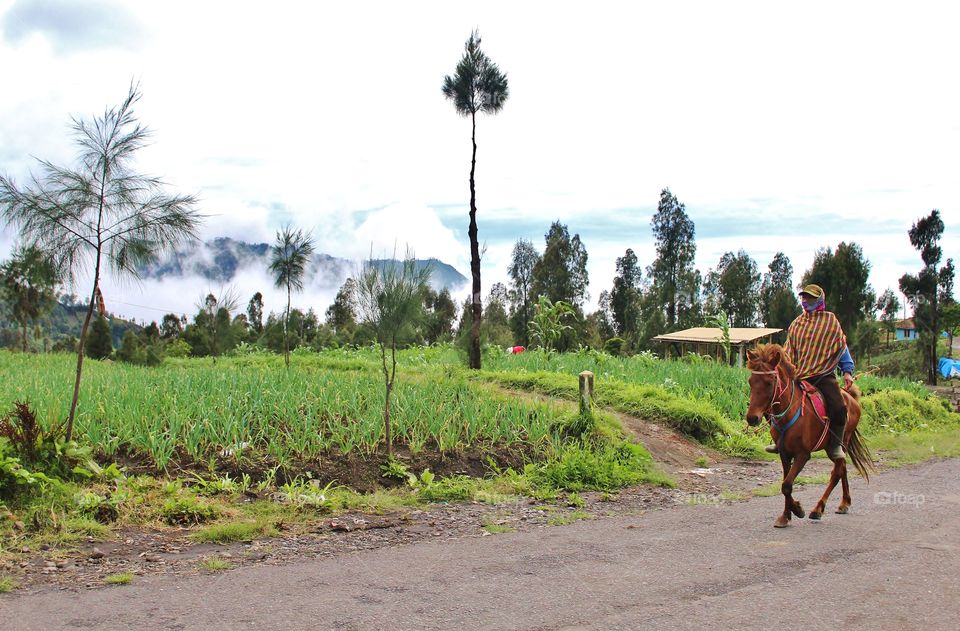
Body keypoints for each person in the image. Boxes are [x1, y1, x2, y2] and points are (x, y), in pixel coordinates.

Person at [764, 284, 855, 460]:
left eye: (811, 298)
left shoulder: (830, 321)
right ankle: (778, 440)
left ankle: (835, 445)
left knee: (839, 407)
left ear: (820, 300)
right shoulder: (797, 324)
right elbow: (789, 351)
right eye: (804, 297)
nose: (806, 301)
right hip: (799, 375)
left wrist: (847, 371)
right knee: (773, 400)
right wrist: (780, 368)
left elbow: (841, 347)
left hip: (823, 375)